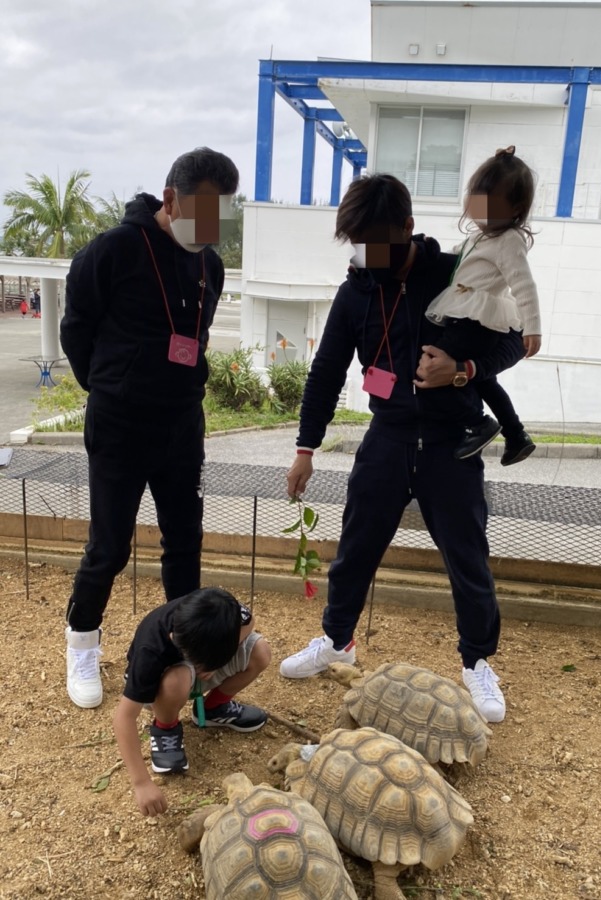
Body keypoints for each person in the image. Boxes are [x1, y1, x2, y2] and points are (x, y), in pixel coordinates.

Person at [279, 173, 527, 724]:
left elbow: (513, 339)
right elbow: (325, 372)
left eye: (380, 244)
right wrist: (306, 447)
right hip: (387, 439)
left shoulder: (457, 274)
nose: (370, 256)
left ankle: (477, 662)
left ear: (409, 229)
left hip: (450, 445)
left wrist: (463, 370)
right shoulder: (356, 290)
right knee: (355, 550)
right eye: (360, 245)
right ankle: (337, 641)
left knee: (468, 561)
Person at [60, 147, 239, 710]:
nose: (213, 227)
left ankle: (182, 648)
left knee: (184, 544)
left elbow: (198, 335)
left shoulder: (210, 263)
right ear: (170, 200)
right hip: (119, 424)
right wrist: (111, 386)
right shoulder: (115, 249)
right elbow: (76, 329)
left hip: (182, 425)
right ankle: (82, 643)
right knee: (108, 547)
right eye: (206, 212)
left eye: (223, 215)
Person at [426, 146, 541, 465]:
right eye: (474, 201)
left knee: (429, 369)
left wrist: (533, 328)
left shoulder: (509, 240)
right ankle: (516, 435)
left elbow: (523, 284)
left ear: (516, 208)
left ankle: (478, 424)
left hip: (474, 321)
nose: (478, 211)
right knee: (485, 381)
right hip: (466, 315)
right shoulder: (479, 237)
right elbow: (452, 263)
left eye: (490, 205)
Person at [113, 587, 270, 817]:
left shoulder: (223, 607)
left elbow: (250, 620)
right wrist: (141, 782)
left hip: (204, 661)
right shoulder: (152, 648)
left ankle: (214, 708)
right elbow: (123, 717)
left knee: (260, 651)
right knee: (177, 680)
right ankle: (165, 728)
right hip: (162, 681)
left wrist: (215, 662)